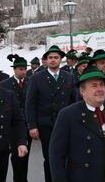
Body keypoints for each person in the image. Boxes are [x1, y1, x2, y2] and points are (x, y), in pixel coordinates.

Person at [25, 45, 76, 182]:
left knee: (68, 156)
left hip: (65, 124)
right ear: (46, 60)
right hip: (46, 125)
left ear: (61, 59)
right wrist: (32, 125)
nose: (53, 60)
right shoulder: (36, 78)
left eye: (56, 57)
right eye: (50, 57)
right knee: (49, 157)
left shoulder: (69, 77)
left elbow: (75, 101)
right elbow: (30, 103)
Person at [0, 55, 31, 182]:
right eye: (20, 69)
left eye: (25, 69)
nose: (23, 72)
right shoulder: (5, 84)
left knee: (25, 154)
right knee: (16, 154)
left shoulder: (31, 82)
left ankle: (23, 179)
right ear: (14, 69)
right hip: (12, 125)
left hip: (28, 124)